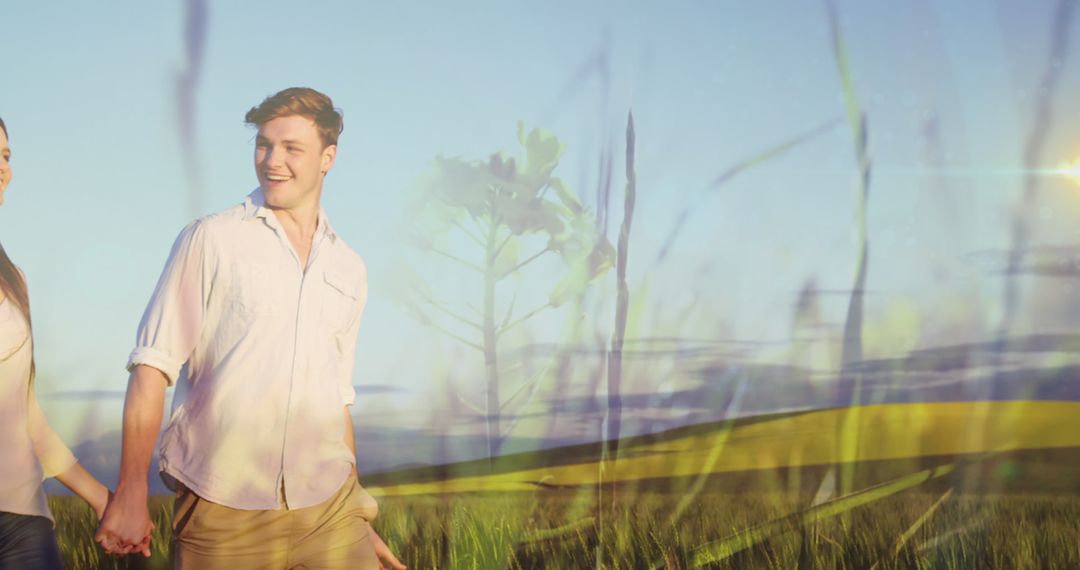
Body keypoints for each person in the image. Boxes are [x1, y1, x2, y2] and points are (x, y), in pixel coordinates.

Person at [94, 88, 406, 570]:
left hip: (332, 511)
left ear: (329, 158)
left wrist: (358, 519)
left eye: (291, 148)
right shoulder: (211, 239)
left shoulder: (349, 267)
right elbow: (151, 368)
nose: (271, 161)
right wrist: (132, 492)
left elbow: (337, 397)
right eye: (263, 145)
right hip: (223, 510)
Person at [0, 117, 115, 569]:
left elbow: (26, 414)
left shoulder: (14, 281)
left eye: (6, 155)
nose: (2, 167)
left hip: (23, 518)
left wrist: (103, 499)